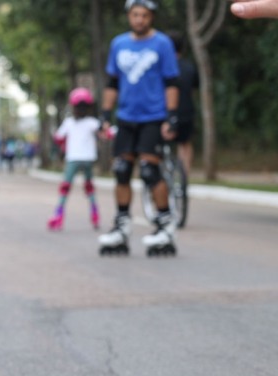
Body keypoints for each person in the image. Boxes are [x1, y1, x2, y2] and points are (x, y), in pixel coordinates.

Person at [98, 0, 180, 256]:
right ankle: (121, 227)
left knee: (149, 171)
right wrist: (105, 114)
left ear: (151, 16)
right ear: (128, 16)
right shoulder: (119, 44)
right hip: (126, 116)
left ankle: (164, 226)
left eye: (144, 15)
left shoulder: (162, 43)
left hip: (153, 116)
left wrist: (172, 116)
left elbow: (171, 82)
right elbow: (112, 82)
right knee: (121, 170)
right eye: (135, 14)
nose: (140, 19)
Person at [48, 87, 102, 231]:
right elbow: (104, 132)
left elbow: (58, 137)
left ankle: (58, 215)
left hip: (74, 159)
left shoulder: (71, 122)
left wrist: (61, 144)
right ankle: (94, 215)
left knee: (66, 188)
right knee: (88, 187)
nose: (80, 110)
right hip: (87, 159)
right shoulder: (91, 122)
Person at [166, 30, 199, 176]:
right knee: (185, 144)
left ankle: (167, 175)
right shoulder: (189, 67)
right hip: (187, 111)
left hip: (166, 112)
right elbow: (194, 88)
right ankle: (184, 176)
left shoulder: (164, 68)